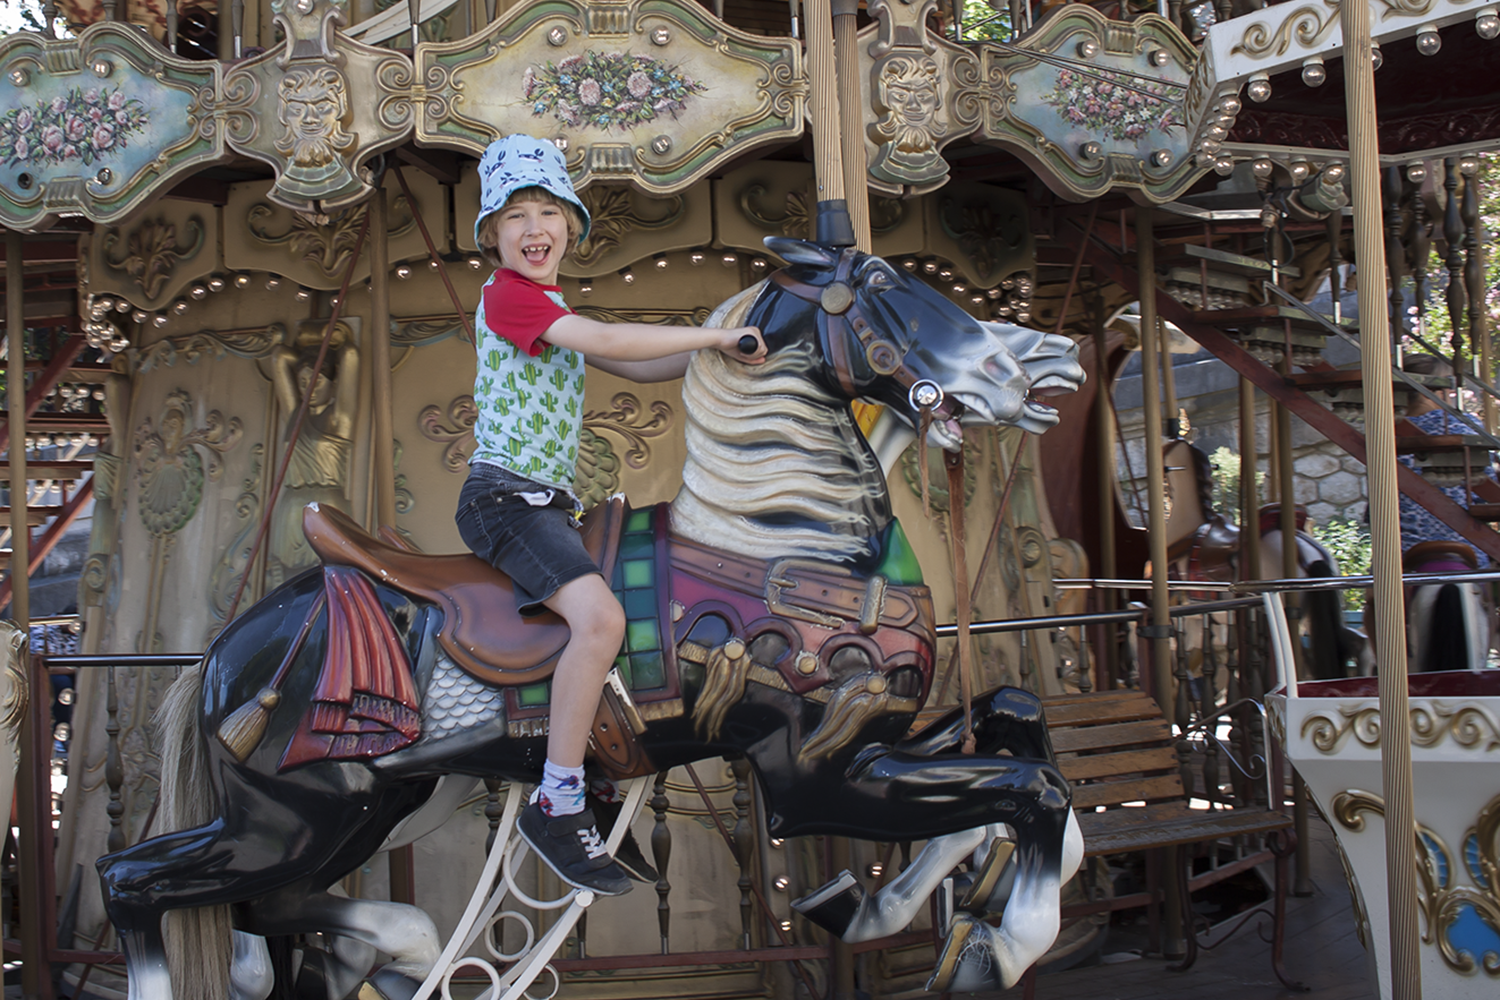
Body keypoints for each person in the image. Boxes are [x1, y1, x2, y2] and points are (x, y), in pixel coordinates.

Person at [455, 134, 765, 896]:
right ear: (494, 236)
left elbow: (635, 362)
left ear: (571, 226)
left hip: (548, 504)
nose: (535, 227)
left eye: (549, 212)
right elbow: (608, 339)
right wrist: (716, 332)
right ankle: (556, 802)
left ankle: (583, 773)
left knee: (627, 613)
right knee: (600, 622)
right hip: (505, 499)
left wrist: (719, 356)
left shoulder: (548, 306)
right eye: (516, 215)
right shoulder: (509, 295)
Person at [1397, 354, 1494, 568]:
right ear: (1439, 390)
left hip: (1403, 549)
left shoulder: (1385, 433)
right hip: (1464, 542)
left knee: (1377, 590)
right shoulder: (1463, 426)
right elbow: (1487, 490)